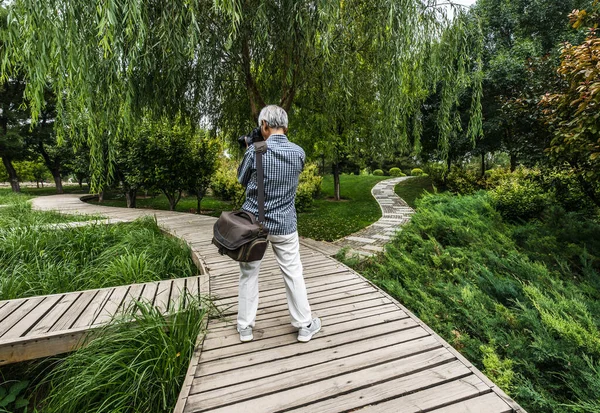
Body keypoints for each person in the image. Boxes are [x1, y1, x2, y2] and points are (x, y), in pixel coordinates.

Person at [236, 105, 321, 343]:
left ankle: (245, 327)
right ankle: (304, 325)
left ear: (264, 125)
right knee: (293, 272)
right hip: (285, 222)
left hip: (254, 224)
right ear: (285, 125)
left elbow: (242, 180)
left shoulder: (255, 151)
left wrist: (250, 148)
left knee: (249, 274)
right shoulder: (298, 152)